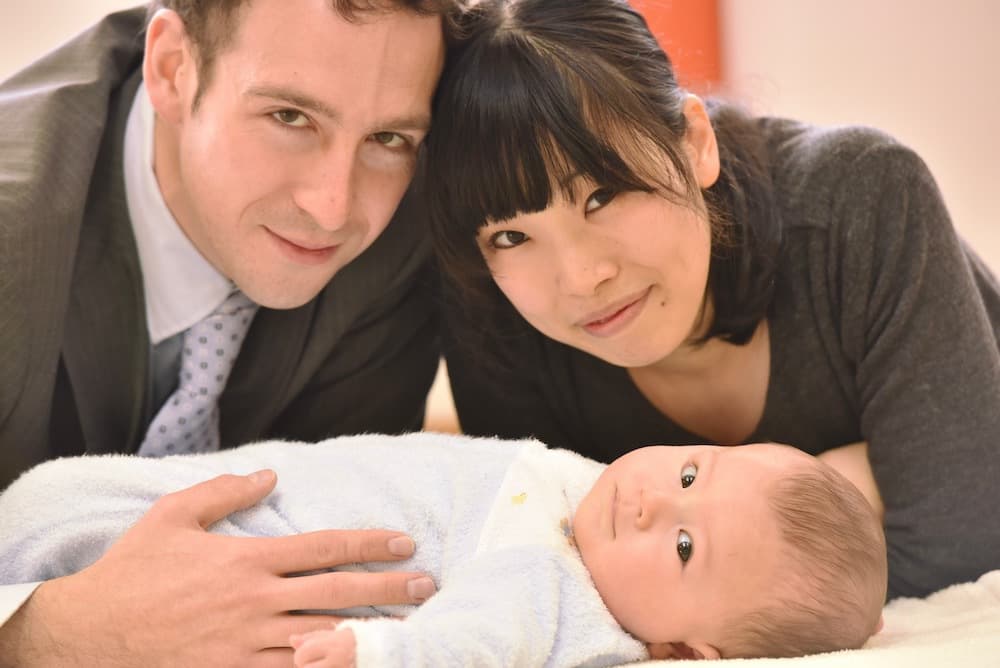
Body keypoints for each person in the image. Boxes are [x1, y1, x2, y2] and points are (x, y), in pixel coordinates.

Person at [426, 0, 1000, 603]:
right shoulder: (490, 305)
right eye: (511, 236)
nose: (581, 278)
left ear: (696, 142)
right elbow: (537, 573)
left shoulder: (861, 199)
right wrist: (852, 485)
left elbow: (965, 549)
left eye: (602, 195)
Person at [0, 0, 458, 664]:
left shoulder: (409, 226)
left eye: (387, 138)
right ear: (172, 69)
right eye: (290, 117)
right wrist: (51, 633)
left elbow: (338, 556)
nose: (333, 208)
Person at [0, 433, 887, 666]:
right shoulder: (591, 493)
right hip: (177, 496)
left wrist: (372, 651)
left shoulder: (557, 587)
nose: (654, 499)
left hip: (187, 545)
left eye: (686, 546)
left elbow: (465, 645)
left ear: (686, 651)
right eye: (691, 472)